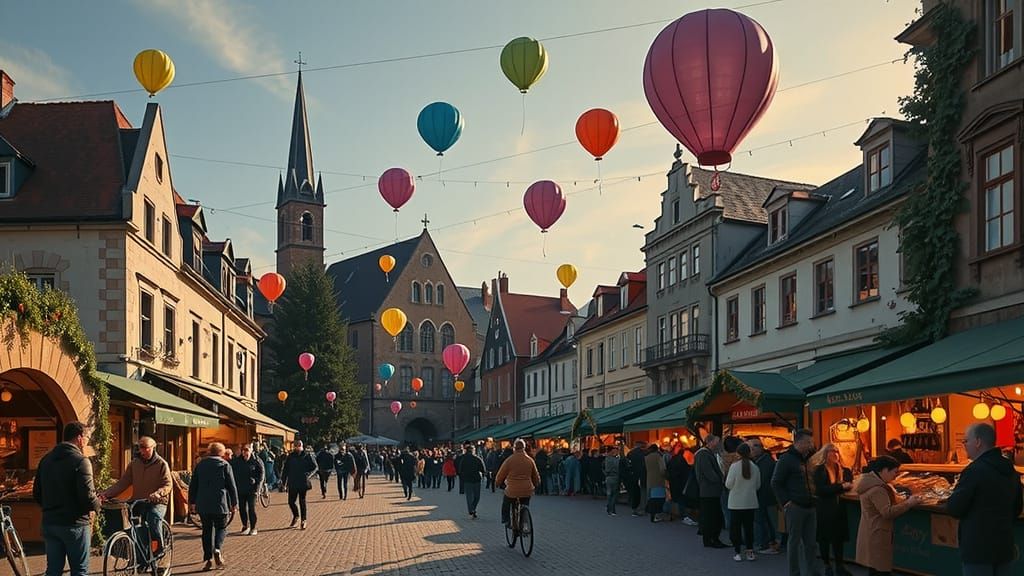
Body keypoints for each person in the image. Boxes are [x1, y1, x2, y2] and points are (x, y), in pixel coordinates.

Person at [946, 423, 1024, 576]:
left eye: (966, 441)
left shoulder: (973, 471)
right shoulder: (1011, 471)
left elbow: (955, 508)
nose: (964, 445)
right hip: (1004, 546)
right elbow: (1017, 508)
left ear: (978, 442)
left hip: (978, 550)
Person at [33, 422, 101, 576]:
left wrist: (50, 508)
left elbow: (37, 493)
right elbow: (88, 496)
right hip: (75, 524)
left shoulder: (46, 460)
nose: (87, 441)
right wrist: (97, 505)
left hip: (50, 522)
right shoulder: (81, 461)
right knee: (79, 570)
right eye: (87, 437)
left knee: (53, 570)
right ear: (80, 438)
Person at [100, 436, 172, 555]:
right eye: (141, 448)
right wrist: (106, 494)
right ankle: (141, 557)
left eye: (146, 448)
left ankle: (158, 548)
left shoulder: (161, 464)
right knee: (137, 528)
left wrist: (158, 493)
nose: (143, 451)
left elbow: (168, 484)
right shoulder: (134, 464)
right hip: (139, 501)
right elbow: (122, 483)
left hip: (157, 502)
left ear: (153, 448)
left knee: (153, 517)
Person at [855, 456, 921, 576]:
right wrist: (909, 503)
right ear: (885, 470)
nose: (895, 476)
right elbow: (887, 512)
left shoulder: (868, 483)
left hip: (870, 530)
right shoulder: (877, 489)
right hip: (878, 533)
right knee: (881, 570)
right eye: (894, 472)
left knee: (874, 569)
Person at [772, 429, 822, 576]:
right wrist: (786, 502)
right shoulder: (786, 459)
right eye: (808, 442)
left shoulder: (810, 458)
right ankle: (794, 572)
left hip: (810, 505)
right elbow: (776, 482)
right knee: (794, 542)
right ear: (799, 442)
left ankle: (813, 572)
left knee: (811, 543)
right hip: (795, 505)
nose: (811, 445)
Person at [189, 442, 239, 571]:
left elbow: (193, 484)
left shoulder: (200, 465)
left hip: (203, 503)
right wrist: (234, 503)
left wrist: (192, 502)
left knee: (206, 530)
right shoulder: (225, 465)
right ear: (221, 453)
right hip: (220, 502)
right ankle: (217, 548)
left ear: (209, 451)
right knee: (221, 527)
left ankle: (208, 558)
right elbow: (231, 486)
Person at [811, 444, 853, 576]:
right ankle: (826, 565)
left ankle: (839, 565)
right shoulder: (820, 470)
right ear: (825, 453)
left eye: (837, 452)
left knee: (838, 538)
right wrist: (840, 487)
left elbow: (849, 483)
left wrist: (846, 485)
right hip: (824, 509)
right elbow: (820, 490)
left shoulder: (843, 469)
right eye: (832, 451)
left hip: (839, 508)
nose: (835, 454)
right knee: (824, 538)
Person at [725, 442, 761, 562]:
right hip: (750, 501)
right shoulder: (755, 467)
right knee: (749, 527)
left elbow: (728, 484)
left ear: (738, 453)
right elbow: (758, 485)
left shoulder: (734, 466)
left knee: (736, 527)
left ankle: (737, 552)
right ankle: (750, 551)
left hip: (735, 502)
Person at [495, 439, 541, 526]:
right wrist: (537, 483)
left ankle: (506, 520)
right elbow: (535, 475)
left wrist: (497, 483)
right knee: (525, 503)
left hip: (512, 490)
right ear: (524, 448)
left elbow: (500, 475)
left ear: (514, 448)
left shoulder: (509, 460)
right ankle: (525, 519)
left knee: (506, 503)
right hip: (527, 489)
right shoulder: (530, 460)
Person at [695, 434, 727, 548]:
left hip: (709, 490)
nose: (719, 444)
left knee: (712, 515)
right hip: (709, 490)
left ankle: (711, 539)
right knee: (712, 516)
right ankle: (711, 539)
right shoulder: (704, 454)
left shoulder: (707, 453)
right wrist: (720, 480)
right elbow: (708, 472)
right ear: (710, 442)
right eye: (717, 442)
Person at [749, 439, 780, 554]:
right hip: (763, 496)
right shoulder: (760, 461)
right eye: (750, 447)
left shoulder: (766, 462)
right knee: (765, 520)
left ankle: (769, 544)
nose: (752, 450)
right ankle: (767, 543)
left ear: (761, 448)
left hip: (766, 497)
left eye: (755, 446)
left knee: (767, 521)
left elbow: (762, 480)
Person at [230, 443, 265, 536]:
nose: (244, 453)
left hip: (252, 490)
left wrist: (257, 487)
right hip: (240, 489)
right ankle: (245, 525)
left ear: (251, 451)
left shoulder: (256, 461)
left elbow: (261, 475)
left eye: (247, 450)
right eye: (243, 450)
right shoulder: (236, 461)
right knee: (242, 509)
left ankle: (253, 527)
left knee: (251, 508)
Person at [282, 440, 317, 529]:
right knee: (291, 502)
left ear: (302, 446)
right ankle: (296, 516)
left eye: (299, 445)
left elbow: (315, 467)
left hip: (302, 482)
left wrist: (308, 474)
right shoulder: (290, 456)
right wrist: (283, 482)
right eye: (296, 445)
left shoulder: (307, 456)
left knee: (302, 501)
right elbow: (285, 470)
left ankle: (303, 520)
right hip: (292, 482)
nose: (297, 447)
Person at [458, 444, 487, 518]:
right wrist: (483, 473)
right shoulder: (477, 459)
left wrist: (462, 477)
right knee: (477, 496)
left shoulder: (463, 459)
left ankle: (471, 510)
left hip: (467, 480)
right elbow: (483, 469)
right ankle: (473, 508)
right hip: (476, 479)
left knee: (469, 497)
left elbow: (460, 470)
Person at [644, 444, 669, 523]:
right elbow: (662, 469)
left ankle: (652, 515)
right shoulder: (659, 457)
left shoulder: (646, 457)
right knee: (659, 499)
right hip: (658, 480)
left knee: (652, 498)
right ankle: (657, 515)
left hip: (650, 480)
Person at [625, 441, 646, 514]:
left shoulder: (630, 453)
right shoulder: (644, 453)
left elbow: (627, 464)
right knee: (643, 492)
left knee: (634, 491)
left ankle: (634, 507)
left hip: (633, 474)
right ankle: (642, 507)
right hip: (642, 474)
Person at [603, 445, 621, 516]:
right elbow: (618, 467)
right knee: (614, 494)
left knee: (609, 493)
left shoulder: (606, 459)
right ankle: (612, 509)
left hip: (608, 477)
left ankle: (609, 507)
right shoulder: (616, 460)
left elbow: (604, 468)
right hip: (615, 477)